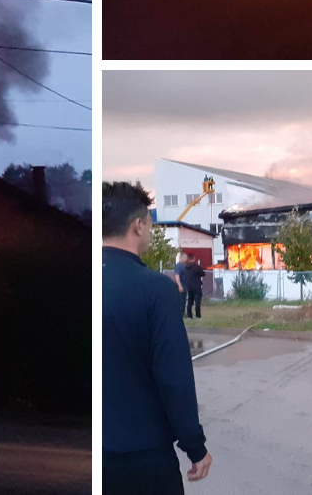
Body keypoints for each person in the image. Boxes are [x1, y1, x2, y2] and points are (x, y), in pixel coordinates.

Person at [102, 183, 211, 493]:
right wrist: (195, 447)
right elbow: (173, 378)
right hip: (142, 460)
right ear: (139, 225)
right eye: (149, 224)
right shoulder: (154, 289)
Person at [181, 254, 205, 319]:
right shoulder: (196, 267)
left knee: (190, 301)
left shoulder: (186, 268)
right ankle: (198, 316)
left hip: (189, 286)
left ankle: (189, 315)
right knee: (197, 301)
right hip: (196, 286)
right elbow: (203, 274)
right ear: (194, 259)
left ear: (188, 259)